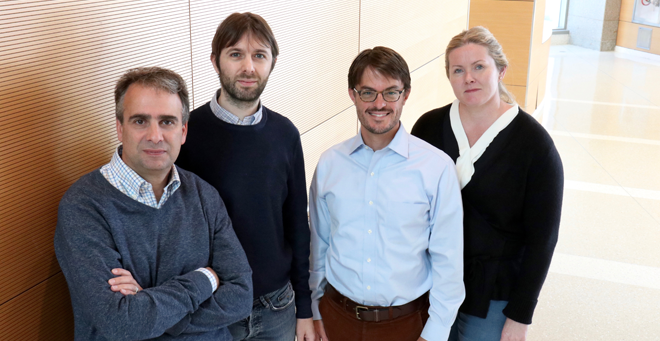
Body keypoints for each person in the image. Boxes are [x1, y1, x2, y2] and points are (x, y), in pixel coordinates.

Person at [54, 67, 253, 341]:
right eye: (140, 121)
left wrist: (149, 304)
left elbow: (241, 295)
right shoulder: (83, 206)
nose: (155, 136)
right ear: (119, 127)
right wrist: (205, 279)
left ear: (183, 131)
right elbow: (122, 323)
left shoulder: (204, 195)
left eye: (167, 122)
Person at [411, 26, 564, 341]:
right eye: (458, 70)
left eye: (479, 66)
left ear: (501, 70)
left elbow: (542, 240)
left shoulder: (534, 145)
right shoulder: (428, 128)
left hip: (494, 291)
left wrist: (520, 317)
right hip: (430, 282)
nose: (469, 78)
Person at [309, 46, 465, 341]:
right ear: (352, 95)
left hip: (407, 326)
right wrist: (316, 313)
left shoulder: (436, 168)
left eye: (390, 92)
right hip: (336, 318)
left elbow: (449, 263)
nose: (379, 103)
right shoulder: (330, 164)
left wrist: (434, 334)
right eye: (368, 92)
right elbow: (319, 246)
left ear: (405, 95)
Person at [175, 12, 314, 341]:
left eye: (259, 55)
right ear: (215, 61)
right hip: (214, 307)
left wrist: (305, 309)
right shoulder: (186, 134)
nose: (248, 67)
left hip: (278, 306)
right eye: (236, 54)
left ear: (272, 62)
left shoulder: (286, 134)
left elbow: (297, 226)